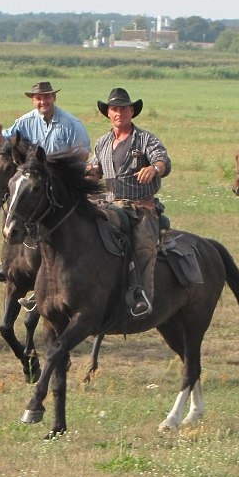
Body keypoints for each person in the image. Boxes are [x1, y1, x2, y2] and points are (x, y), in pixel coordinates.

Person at [0, 80, 90, 281]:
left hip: (62, 183)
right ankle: (9, 259)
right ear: (33, 100)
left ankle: (79, 257)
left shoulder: (71, 124)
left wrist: (55, 166)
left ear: (54, 98)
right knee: (14, 206)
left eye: (46, 97)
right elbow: (6, 145)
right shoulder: (24, 122)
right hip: (34, 182)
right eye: (38, 98)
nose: (43, 101)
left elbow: (83, 155)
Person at [86, 87, 171, 318]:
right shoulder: (102, 142)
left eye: (123, 108)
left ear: (132, 111)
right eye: (114, 109)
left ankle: (142, 295)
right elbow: (95, 169)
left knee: (144, 246)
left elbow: (163, 161)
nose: (118, 113)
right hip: (109, 205)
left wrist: (153, 169)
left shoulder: (145, 139)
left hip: (140, 207)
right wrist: (90, 172)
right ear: (108, 113)